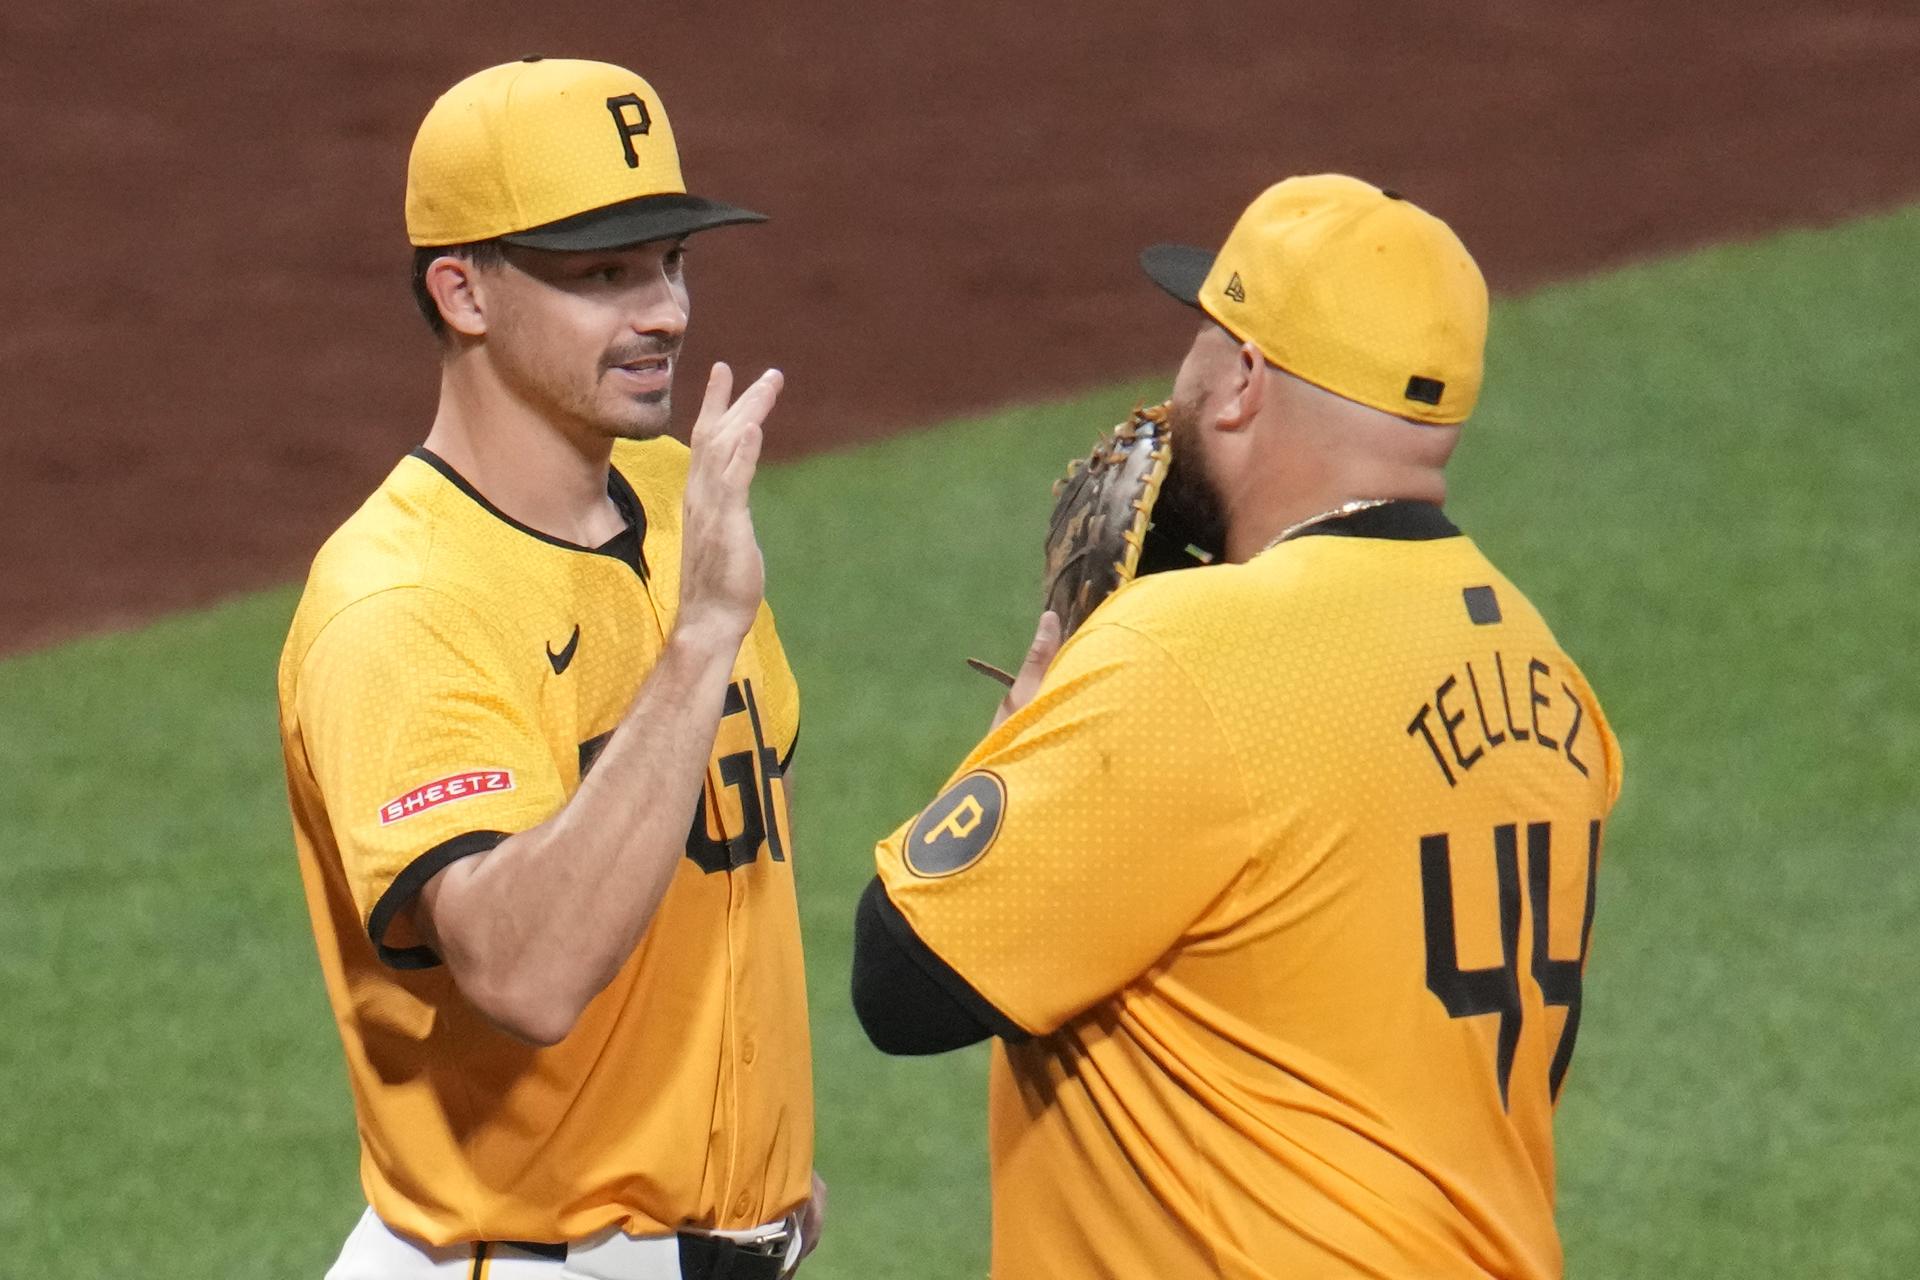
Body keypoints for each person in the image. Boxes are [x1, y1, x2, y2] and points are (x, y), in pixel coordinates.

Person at [852, 174, 1623, 1279]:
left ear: (1244, 382)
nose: (1174, 388)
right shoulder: (1547, 676)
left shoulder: (1192, 648)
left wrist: (1024, 727)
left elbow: (902, 977)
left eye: (1202, 340)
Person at [278, 57, 822, 1279]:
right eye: (602, 275)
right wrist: (697, 642)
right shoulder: (405, 602)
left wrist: (745, 1158)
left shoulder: (683, 497)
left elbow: (720, 872)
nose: (667, 311)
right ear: (463, 291)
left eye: (670, 261)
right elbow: (523, 971)